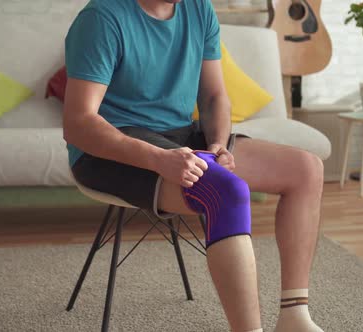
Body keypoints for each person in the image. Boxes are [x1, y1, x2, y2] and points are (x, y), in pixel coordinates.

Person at [63, 0, 325, 331]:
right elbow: (78, 123)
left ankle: (294, 317)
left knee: (306, 169)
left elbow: (215, 97)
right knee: (224, 191)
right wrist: (160, 159)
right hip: (112, 149)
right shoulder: (102, 18)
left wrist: (218, 143)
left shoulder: (198, 8)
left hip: (181, 136)